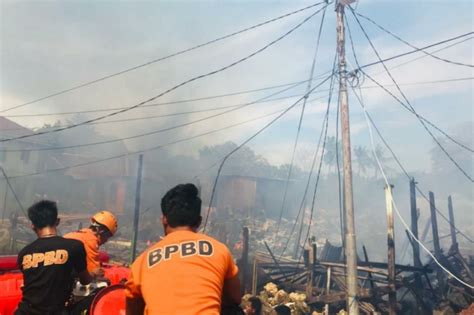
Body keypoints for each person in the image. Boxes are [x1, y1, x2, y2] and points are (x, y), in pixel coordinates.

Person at [125, 183, 241, 314]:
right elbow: (235, 298)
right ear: (199, 221)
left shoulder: (141, 262)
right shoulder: (220, 251)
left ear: (164, 220)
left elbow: (132, 310)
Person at [15, 200, 92, 315]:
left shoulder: (24, 253)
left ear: (32, 226)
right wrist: (93, 275)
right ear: (57, 221)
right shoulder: (75, 246)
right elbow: (85, 280)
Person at [64, 210, 117, 275]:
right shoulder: (91, 241)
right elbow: (94, 272)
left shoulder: (77, 234)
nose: (106, 241)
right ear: (101, 231)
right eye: (108, 236)